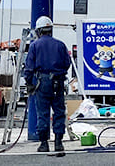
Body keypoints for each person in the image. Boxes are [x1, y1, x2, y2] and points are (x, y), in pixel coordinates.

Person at [23, 15, 70, 156]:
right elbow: (67, 64)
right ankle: (58, 143)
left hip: (41, 83)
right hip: (58, 82)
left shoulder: (35, 45)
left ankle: (44, 144)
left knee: (42, 113)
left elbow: (29, 67)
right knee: (59, 112)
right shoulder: (60, 45)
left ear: (39, 30)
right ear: (50, 29)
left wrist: (29, 83)